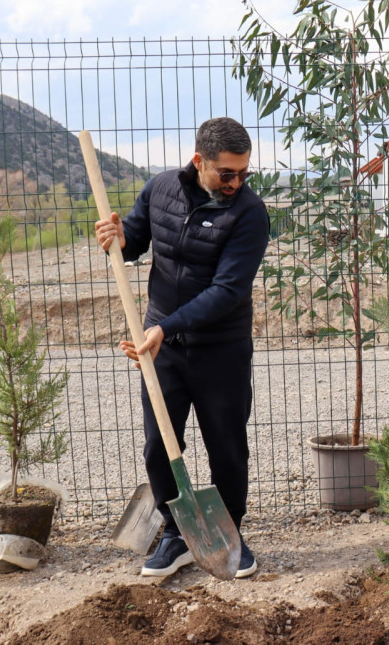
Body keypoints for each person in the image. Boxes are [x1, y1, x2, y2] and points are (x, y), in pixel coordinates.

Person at [95, 117, 269, 577]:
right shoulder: (161, 190)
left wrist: (164, 327)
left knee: (226, 447)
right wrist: (118, 239)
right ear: (199, 161)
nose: (236, 183)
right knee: (159, 445)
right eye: (226, 173)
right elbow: (133, 240)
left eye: (243, 173)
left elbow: (227, 290)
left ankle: (228, 533)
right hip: (161, 348)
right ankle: (176, 534)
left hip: (221, 349)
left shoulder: (250, 213)